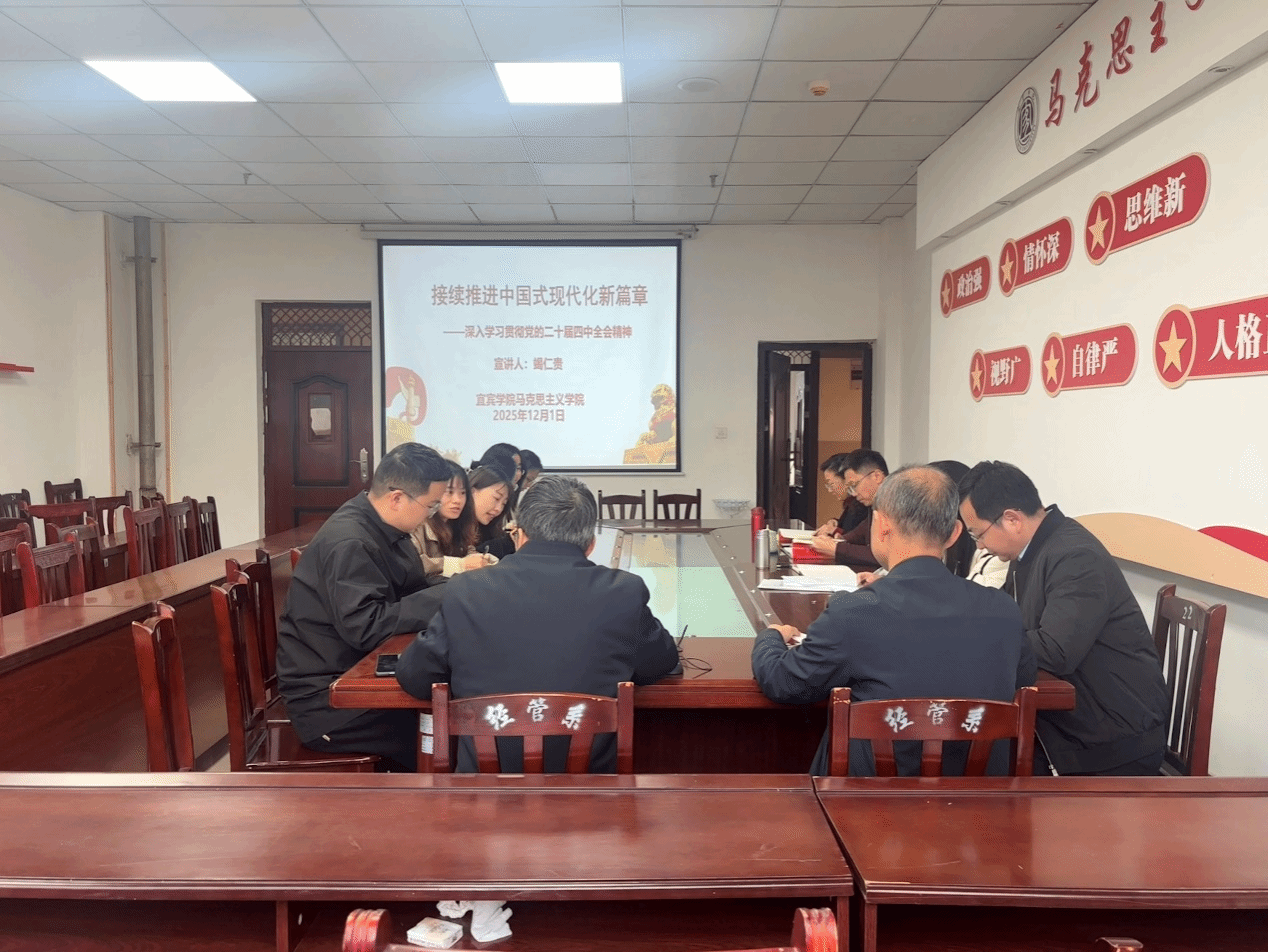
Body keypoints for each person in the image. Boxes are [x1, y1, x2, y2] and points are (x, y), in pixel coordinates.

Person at [752, 465, 1036, 776]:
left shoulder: (854, 612)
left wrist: (770, 637)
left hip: (870, 801)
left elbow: (784, 682)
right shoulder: (1004, 610)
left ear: (883, 524)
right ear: (954, 533)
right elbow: (1023, 681)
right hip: (980, 800)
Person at [396, 474, 680, 772]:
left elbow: (415, 677)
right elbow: (659, 663)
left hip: (483, 793)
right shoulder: (623, 591)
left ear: (519, 535)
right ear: (591, 544)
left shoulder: (466, 590)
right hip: (592, 793)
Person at [958, 461, 1168, 776]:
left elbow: (1055, 650)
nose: (979, 545)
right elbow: (1009, 620)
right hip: (1077, 719)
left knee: (983, 757)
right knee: (980, 744)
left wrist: (979, 640)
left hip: (1112, 736)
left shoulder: (1075, 556)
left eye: (978, 534)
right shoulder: (1031, 550)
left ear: (1012, 520)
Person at [275, 442, 451, 771]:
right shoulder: (351, 541)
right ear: (397, 498)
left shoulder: (383, 528)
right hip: (330, 704)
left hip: (358, 677)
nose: (432, 515)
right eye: (430, 506)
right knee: (447, 732)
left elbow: (412, 591)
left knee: (451, 711)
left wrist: (457, 590)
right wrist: (446, 595)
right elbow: (368, 627)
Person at [411, 460, 494, 582]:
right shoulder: (416, 525)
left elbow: (468, 550)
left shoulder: (458, 524)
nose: (457, 500)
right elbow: (413, 566)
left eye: (462, 493)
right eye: (449, 492)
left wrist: (480, 559)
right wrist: (459, 564)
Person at [808, 448, 887, 570]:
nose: (853, 493)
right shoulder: (876, 504)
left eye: (855, 485)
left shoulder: (897, 504)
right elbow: (861, 531)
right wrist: (840, 539)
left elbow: (883, 554)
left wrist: (836, 548)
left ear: (877, 476)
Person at [813, 453, 869, 539]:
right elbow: (848, 527)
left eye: (831, 484)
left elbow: (860, 539)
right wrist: (835, 522)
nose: (830, 490)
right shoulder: (851, 502)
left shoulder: (863, 504)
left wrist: (835, 530)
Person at [469, 464, 515, 559]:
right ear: (472, 491)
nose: (499, 509)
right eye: (496, 498)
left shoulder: (492, 535)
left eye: (503, 504)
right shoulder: (445, 530)